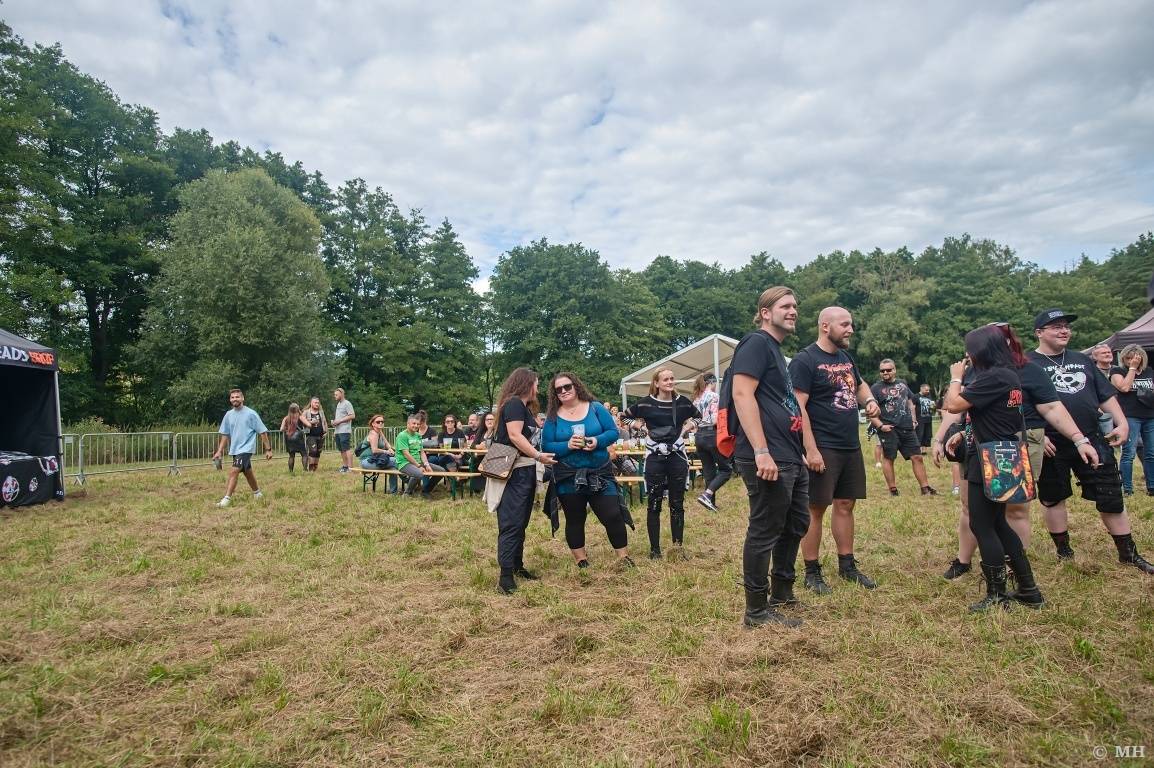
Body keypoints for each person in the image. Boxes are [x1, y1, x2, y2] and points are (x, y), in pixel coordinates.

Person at [942, 325, 1097, 611]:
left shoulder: (992, 378)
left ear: (982, 351)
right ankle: (1028, 589)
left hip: (990, 458)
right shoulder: (1009, 376)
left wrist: (955, 378)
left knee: (982, 524)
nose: (967, 354)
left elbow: (953, 405)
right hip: (1006, 454)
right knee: (999, 522)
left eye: (970, 349)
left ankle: (997, 593)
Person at [1028, 309, 1153, 573]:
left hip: (1093, 437)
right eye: (1055, 326)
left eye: (1066, 326)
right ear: (1039, 332)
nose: (1064, 330)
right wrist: (1036, 435)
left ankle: (1128, 553)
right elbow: (1021, 405)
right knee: (1053, 497)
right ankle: (1064, 551)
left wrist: (1120, 421)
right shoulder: (1027, 364)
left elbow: (1104, 394)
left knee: (1110, 492)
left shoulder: (1082, 360)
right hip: (1051, 442)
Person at [790, 307, 882, 594]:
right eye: (845, 324)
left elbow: (861, 385)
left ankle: (847, 565)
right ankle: (812, 571)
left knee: (846, 504)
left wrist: (868, 401)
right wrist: (811, 448)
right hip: (823, 446)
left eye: (851, 324)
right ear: (825, 326)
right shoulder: (805, 361)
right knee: (815, 508)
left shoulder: (845, 357)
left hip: (849, 445)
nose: (850, 329)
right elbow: (797, 406)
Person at [732, 286, 808, 629]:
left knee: (795, 524)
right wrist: (762, 451)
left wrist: (801, 451)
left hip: (789, 454)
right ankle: (757, 612)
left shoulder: (776, 350)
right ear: (765, 312)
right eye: (786, 306)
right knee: (765, 529)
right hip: (766, 455)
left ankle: (781, 591)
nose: (793, 311)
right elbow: (741, 393)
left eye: (795, 306)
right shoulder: (756, 343)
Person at [542, 372, 633, 569]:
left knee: (612, 514)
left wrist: (596, 441)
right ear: (554, 394)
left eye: (567, 386)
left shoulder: (596, 408)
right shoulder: (552, 417)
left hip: (599, 471)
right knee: (575, 518)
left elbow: (612, 432)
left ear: (576, 386)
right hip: (568, 475)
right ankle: (581, 561)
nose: (564, 391)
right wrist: (568, 445)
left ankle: (623, 558)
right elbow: (547, 446)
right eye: (559, 389)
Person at [486, 368, 555, 594]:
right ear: (527, 384)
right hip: (513, 473)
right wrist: (538, 456)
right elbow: (515, 435)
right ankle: (505, 577)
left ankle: (517, 565)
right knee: (511, 523)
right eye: (536, 383)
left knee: (521, 522)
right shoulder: (514, 404)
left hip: (523, 473)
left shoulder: (522, 407)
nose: (537, 388)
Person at [622, 368, 701, 560]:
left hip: (677, 456)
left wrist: (687, 427)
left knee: (677, 503)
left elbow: (698, 416)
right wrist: (641, 428)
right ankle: (654, 550)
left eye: (672, 378)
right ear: (656, 383)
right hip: (655, 457)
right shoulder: (646, 403)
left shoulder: (682, 402)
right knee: (655, 503)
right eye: (665, 379)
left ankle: (677, 548)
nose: (670, 382)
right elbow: (624, 416)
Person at [870, 360, 937, 496]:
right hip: (889, 428)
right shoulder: (875, 388)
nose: (885, 373)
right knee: (889, 458)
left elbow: (910, 401)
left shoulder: (903, 384)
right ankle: (893, 490)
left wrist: (913, 419)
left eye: (888, 370)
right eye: (882, 371)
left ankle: (925, 488)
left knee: (917, 457)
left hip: (907, 428)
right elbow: (870, 411)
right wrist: (881, 426)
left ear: (894, 370)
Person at [211, 388, 273, 507]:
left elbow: (262, 432)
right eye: (233, 397)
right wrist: (219, 451)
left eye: (237, 397)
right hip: (235, 449)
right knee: (247, 471)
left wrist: (268, 450)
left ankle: (227, 499)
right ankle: (258, 493)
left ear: (243, 398)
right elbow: (225, 434)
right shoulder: (228, 415)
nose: (235, 399)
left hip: (246, 449)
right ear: (230, 400)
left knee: (234, 471)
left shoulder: (251, 414)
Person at [1111, 344, 1154, 496]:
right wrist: (1132, 369)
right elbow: (1124, 388)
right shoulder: (1117, 371)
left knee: (1151, 453)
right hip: (1130, 416)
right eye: (1128, 358)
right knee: (1129, 453)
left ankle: (1152, 487)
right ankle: (1127, 489)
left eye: (1134, 358)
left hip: (1150, 416)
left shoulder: (1149, 371)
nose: (1131, 361)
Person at [691, 373, 733, 513]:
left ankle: (710, 503)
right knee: (726, 469)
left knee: (708, 470)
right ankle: (707, 494)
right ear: (712, 382)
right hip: (711, 434)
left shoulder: (696, 399)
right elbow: (715, 420)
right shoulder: (714, 396)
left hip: (699, 436)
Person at [424, 414, 468, 496]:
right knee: (447, 459)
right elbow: (442, 450)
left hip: (458, 458)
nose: (450, 423)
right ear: (445, 423)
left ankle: (426, 490)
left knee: (442, 471)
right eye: (448, 421)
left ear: (454, 422)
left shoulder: (460, 432)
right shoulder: (442, 434)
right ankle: (455, 477)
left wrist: (460, 455)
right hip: (444, 457)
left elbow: (464, 447)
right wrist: (452, 455)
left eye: (452, 421)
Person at [394, 415, 437, 496]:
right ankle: (407, 493)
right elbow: (406, 454)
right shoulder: (402, 435)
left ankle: (425, 490)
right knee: (419, 473)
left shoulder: (418, 435)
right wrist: (418, 466)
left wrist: (426, 464)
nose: (416, 426)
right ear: (408, 424)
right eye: (414, 423)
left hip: (417, 462)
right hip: (404, 463)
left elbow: (422, 452)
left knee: (441, 470)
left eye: (418, 424)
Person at [358, 414, 399, 492]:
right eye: (378, 422)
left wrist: (390, 449)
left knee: (393, 467)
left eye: (382, 421)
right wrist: (386, 452)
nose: (380, 423)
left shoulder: (379, 432)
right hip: (367, 461)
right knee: (396, 461)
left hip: (376, 459)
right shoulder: (373, 434)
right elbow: (374, 450)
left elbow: (387, 443)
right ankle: (411, 483)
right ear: (373, 424)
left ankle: (393, 492)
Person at [332, 388, 356, 473]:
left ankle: (350, 468)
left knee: (346, 448)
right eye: (334, 395)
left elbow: (352, 416)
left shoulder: (347, 403)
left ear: (342, 394)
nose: (335, 396)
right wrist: (335, 426)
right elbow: (338, 418)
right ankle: (345, 466)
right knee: (341, 449)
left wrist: (340, 421)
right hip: (338, 431)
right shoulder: (338, 404)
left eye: (336, 395)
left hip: (345, 430)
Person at [280, 403, 308, 473]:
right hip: (298, 437)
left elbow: (281, 429)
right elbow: (307, 424)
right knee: (304, 454)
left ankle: (291, 471)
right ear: (297, 409)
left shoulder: (286, 418)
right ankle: (305, 470)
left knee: (291, 456)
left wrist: (287, 430)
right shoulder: (300, 417)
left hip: (288, 437)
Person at [302, 397, 328, 471]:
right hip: (310, 435)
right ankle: (310, 468)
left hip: (320, 435)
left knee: (318, 452)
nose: (317, 404)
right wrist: (310, 421)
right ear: (311, 403)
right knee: (313, 450)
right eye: (315, 402)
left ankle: (315, 468)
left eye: (318, 403)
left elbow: (325, 422)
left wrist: (326, 431)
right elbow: (302, 420)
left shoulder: (321, 412)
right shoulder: (306, 412)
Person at [916, 384, 936, 451]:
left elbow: (933, 408)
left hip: (928, 419)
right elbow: (911, 407)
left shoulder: (929, 397)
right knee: (919, 434)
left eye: (928, 390)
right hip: (919, 419)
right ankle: (918, 449)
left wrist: (933, 407)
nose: (928, 391)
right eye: (926, 390)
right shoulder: (916, 396)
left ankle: (924, 450)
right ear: (921, 388)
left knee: (927, 435)